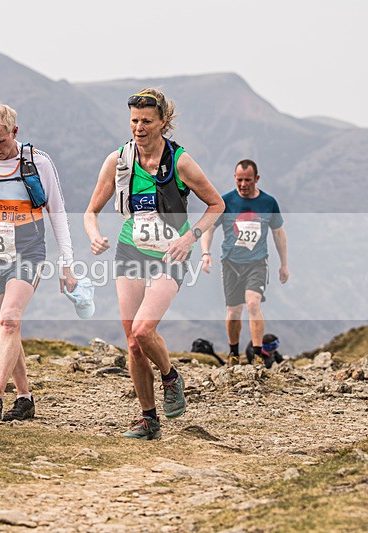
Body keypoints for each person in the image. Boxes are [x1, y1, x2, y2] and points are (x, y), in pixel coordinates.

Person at [84, 89, 224, 440]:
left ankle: (170, 376)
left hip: (170, 253)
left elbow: (216, 205)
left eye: (147, 121)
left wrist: (190, 238)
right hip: (131, 249)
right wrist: (95, 235)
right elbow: (90, 211)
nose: (139, 127)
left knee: (145, 330)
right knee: (132, 342)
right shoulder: (118, 160)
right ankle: (149, 419)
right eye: (134, 120)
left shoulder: (180, 162)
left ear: (163, 122)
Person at [0, 99, 76, 422]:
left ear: (14, 131)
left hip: (29, 249)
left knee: (9, 320)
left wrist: (67, 261)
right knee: (7, 327)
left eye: (0, 141)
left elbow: (58, 212)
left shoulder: (38, 162)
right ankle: (25, 397)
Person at [200, 159, 289, 366]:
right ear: (234, 178)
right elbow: (210, 227)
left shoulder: (268, 203)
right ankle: (233, 353)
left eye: (248, 180)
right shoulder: (225, 202)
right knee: (233, 311)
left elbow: (278, 233)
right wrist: (205, 253)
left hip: (257, 262)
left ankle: (257, 354)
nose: (243, 184)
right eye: (239, 180)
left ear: (256, 179)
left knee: (253, 302)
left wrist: (284, 264)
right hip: (231, 263)